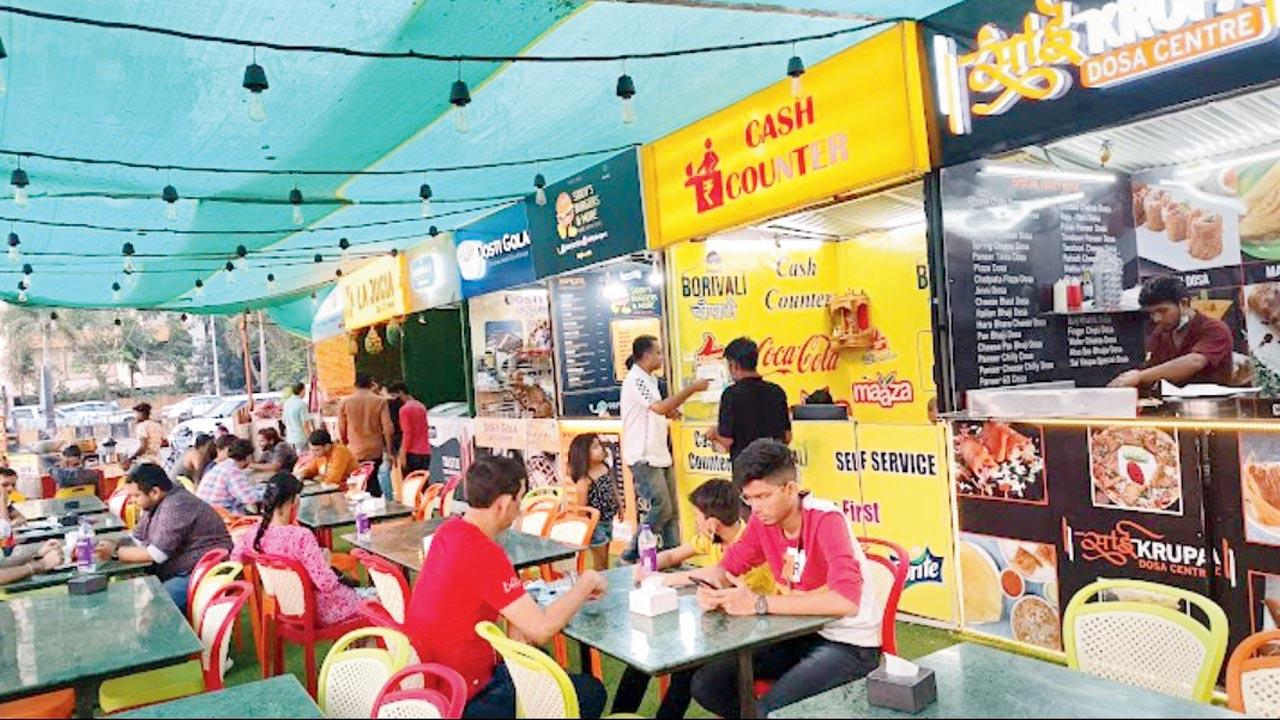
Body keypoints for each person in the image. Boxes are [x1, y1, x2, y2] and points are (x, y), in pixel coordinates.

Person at [688, 439, 881, 717]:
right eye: (748, 499)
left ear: (790, 489)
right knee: (708, 684)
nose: (755, 508)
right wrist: (715, 589)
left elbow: (845, 601)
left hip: (850, 644)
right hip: (796, 631)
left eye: (763, 496)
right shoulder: (762, 521)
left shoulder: (826, 519)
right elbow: (726, 568)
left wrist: (758, 603)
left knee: (769, 711)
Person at [404, 456, 608, 718]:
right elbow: (542, 628)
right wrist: (586, 583)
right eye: (519, 500)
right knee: (590, 691)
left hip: (433, 682)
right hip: (465, 697)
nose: (521, 510)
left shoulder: (449, 532)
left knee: (540, 662)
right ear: (502, 504)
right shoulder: (484, 553)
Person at [612, 479, 775, 717]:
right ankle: (618, 714)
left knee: (685, 669)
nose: (695, 522)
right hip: (717, 626)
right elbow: (675, 555)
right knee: (643, 658)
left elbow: (718, 576)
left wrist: (663, 580)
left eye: (697, 517)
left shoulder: (749, 546)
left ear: (712, 524)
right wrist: (651, 564)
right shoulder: (712, 536)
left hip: (751, 635)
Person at [95, 463, 233, 612]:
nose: (132, 501)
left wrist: (115, 553)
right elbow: (137, 539)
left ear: (154, 492)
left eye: (136, 496)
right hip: (180, 567)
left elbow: (157, 554)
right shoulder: (155, 503)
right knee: (132, 595)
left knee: (152, 606)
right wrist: (102, 544)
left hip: (201, 572)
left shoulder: (177, 504)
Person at [620, 335, 709, 558]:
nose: (662, 357)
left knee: (673, 511)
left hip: (659, 453)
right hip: (643, 455)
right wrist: (691, 389)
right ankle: (633, 552)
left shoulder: (650, 380)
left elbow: (656, 410)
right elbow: (657, 407)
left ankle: (672, 556)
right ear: (646, 355)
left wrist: (672, 411)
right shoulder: (636, 379)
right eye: (658, 353)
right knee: (662, 507)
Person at [231, 472, 360, 625]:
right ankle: (356, 645)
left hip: (284, 607)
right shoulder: (301, 536)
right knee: (374, 603)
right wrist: (325, 564)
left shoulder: (253, 534)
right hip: (319, 610)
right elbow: (326, 584)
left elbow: (236, 559)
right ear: (294, 501)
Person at [1110, 275, 1234, 390]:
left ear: (1183, 304)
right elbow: (1150, 370)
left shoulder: (1214, 328)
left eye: (1162, 311)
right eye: (1151, 313)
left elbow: (1195, 362)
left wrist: (1140, 376)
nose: (1156, 318)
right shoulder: (1160, 332)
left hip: (1216, 408)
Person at [707, 337, 791, 460]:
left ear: (733, 365)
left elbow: (727, 441)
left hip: (745, 467)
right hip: (776, 466)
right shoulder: (776, 392)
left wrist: (714, 434)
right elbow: (787, 437)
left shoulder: (730, 395)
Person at [564, 433, 620, 570]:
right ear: (584, 454)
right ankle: (599, 583)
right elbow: (582, 509)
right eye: (595, 447)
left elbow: (613, 486)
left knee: (606, 555)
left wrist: (620, 506)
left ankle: (604, 580)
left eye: (600, 445)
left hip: (608, 519)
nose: (601, 449)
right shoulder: (585, 479)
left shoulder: (605, 467)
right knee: (600, 560)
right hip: (595, 525)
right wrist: (587, 528)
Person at [338, 374, 393, 498]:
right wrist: (389, 450)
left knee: (359, 483)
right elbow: (388, 429)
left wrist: (345, 444)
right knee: (373, 479)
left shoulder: (345, 402)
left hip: (354, 450)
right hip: (375, 450)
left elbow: (342, 429)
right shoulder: (380, 401)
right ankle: (377, 503)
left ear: (355, 385)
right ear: (371, 384)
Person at [196, 437, 259, 515]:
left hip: (206, 514)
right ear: (249, 457)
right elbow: (249, 498)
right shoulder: (233, 470)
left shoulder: (221, 466)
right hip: (223, 518)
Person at [296, 429, 361, 487]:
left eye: (317, 450)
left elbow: (333, 479)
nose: (313, 453)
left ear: (327, 446)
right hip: (329, 488)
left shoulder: (340, 452)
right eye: (312, 450)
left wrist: (319, 479)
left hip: (346, 489)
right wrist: (303, 474)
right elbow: (312, 470)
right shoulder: (320, 455)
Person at [391, 383, 431, 475]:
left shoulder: (404, 410)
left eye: (394, 395)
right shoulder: (421, 406)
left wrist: (402, 453)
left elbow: (407, 433)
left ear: (400, 393)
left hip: (412, 452)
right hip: (425, 451)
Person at [126, 402, 166, 470]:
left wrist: (131, 459)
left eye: (136, 414)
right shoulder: (157, 425)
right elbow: (165, 443)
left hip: (145, 463)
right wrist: (154, 444)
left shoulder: (141, 426)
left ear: (142, 414)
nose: (135, 417)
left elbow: (143, 447)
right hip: (157, 462)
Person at [282, 382, 311, 453]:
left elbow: (284, 420)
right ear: (302, 390)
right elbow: (305, 424)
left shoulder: (286, 403)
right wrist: (311, 438)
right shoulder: (302, 404)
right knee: (303, 460)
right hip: (301, 438)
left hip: (290, 438)